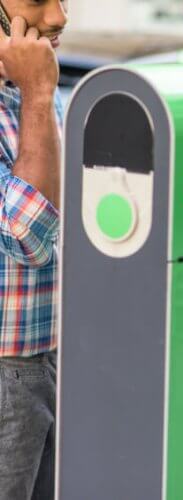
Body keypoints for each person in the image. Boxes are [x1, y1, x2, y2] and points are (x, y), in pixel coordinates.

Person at [0, 0, 67, 498]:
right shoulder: (37, 91)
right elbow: (28, 234)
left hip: (50, 357)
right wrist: (39, 94)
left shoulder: (30, 92)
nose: (61, 16)